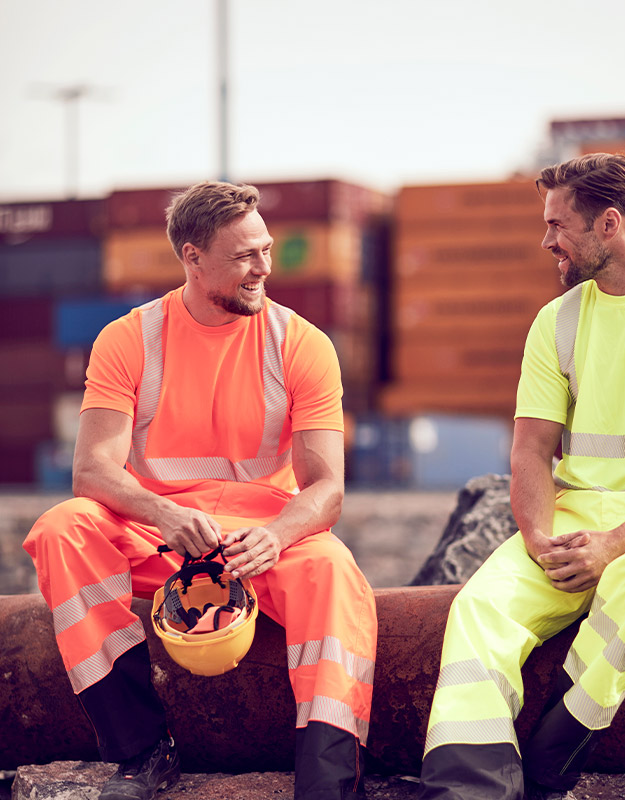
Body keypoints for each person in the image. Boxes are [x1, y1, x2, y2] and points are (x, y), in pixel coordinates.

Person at [24, 181, 377, 800]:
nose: (263, 268)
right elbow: (92, 472)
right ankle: (141, 753)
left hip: (262, 539)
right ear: (192, 257)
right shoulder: (128, 339)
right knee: (64, 527)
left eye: (266, 250)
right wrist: (161, 512)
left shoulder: (302, 344)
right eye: (245, 256)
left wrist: (276, 537)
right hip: (158, 538)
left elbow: (327, 488)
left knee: (333, 571)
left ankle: (327, 781)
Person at [416, 153, 625, 800]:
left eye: (556, 225)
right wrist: (538, 538)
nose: (546, 241)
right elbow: (531, 451)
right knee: (480, 608)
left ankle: (550, 759)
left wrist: (615, 544)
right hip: (571, 521)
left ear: (608, 224)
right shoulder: (556, 322)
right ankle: (467, 788)